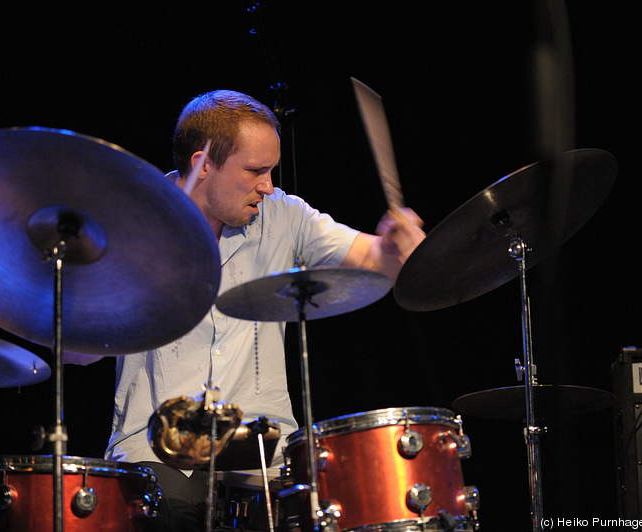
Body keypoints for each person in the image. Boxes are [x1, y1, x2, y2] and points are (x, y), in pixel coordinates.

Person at [85, 89, 424, 530]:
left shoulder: (284, 215)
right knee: (168, 512)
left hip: (265, 453)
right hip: (157, 453)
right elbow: (80, 349)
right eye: (254, 171)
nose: (267, 184)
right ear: (203, 164)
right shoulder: (131, 222)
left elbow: (376, 260)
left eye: (271, 171)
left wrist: (396, 247)